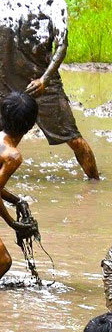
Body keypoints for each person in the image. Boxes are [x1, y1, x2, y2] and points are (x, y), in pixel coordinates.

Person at [0, 0, 99, 179]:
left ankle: (95, 183)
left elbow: (62, 45)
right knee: (3, 139)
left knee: (73, 137)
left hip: (43, 83)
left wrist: (44, 80)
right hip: (5, 81)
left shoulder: (53, 3)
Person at [0, 91, 39, 280]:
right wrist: (12, 222)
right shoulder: (12, 156)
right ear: (31, 125)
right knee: (3, 261)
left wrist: (16, 200)